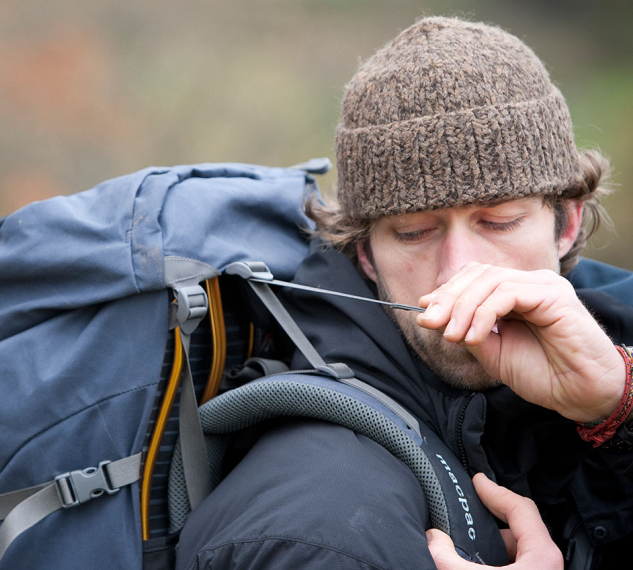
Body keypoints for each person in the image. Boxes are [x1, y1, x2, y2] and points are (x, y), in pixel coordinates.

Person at [174, 16, 633, 570]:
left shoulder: (614, 375)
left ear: (566, 224)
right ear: (365, 254)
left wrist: (615, 411)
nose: (460, 271)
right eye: (415, 232)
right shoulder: (316, 532)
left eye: (501, 221)